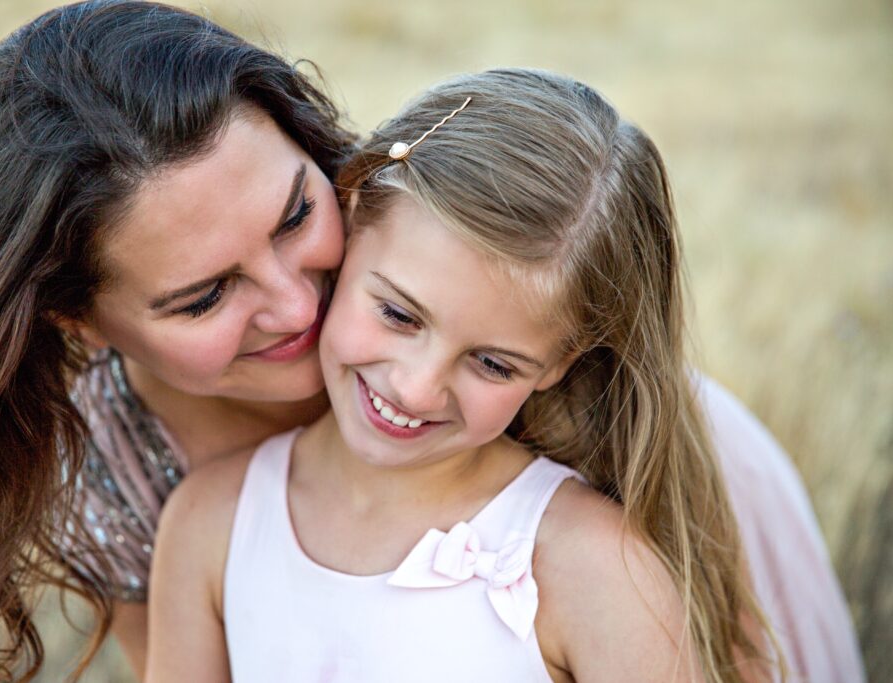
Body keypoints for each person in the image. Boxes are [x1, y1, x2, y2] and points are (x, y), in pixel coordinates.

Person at [145, 69, 784, 682]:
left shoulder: (593, 566)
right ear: (353, 213)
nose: (417, 388)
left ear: (561, 362)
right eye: (398, 314)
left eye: (493, 363)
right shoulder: (211, 524)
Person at [0, 1, 354, 679]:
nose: (295, 304)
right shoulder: (111, 482)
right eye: (206, 296)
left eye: (296, 215)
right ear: (77, 320)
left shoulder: (454, 248)